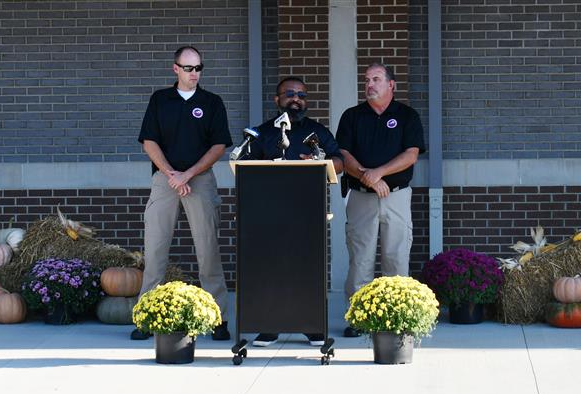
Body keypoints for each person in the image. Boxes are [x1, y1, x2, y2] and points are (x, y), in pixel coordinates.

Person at [130, 46, 232, 341]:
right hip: (165, 179)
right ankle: (146, 316)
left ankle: (218, 317)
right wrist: (172, 174)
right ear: (175, 69)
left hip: (199, 180)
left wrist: (188, 174)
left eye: (199, 68)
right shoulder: (160, 99)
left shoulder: (211, 102)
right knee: (155, 249)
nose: (194, 74)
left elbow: (218, 146)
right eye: (188, 68)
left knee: (208, 250)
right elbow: (148, 141)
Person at [245, 76, 343, 347]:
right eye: (289, 94)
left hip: (308, 210)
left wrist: (320, 161)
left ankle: (311, 326)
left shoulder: (317, 132)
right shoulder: (263, 132)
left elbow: (339, 161)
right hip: (270, 212)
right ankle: (270, 327)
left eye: (301, 94)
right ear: (277, 100)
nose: (296, 99)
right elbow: (246, 166)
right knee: (271, 269)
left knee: (307, 269)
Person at [337, 63, 426, 338]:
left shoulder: (407, 116)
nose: (370, 84)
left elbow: (411, 155)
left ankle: (395, 318)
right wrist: (368, 177)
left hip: (396, 196)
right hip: (361, 197)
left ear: (391, 85)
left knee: (396, 257)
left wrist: (379, 173)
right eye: (366, 80)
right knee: (360, 259)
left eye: (376, 79)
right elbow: (343, 155)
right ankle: (358, 318)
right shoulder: (352, 116)